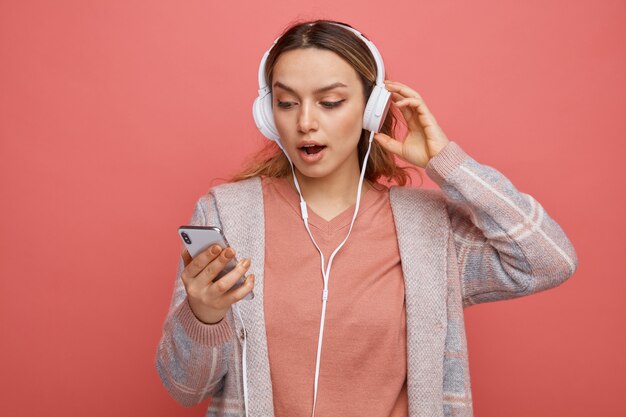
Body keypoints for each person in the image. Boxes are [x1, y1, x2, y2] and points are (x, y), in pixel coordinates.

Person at [155, 19, 578, 417]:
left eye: (331, 102)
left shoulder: (427, 230)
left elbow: (549, 259)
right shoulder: (227, 214)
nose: (305, 122)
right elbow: (185, 388)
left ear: (371, 110)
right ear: (268, 115)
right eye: (286, 103)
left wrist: (447, 164)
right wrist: (203, 314)